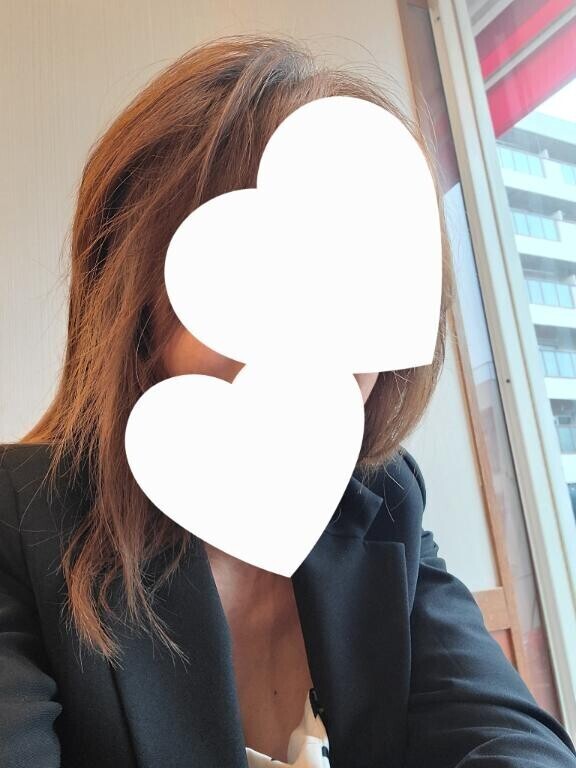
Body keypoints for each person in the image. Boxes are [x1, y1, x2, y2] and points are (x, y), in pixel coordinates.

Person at [1, 34, 575, 768]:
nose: (313, 342)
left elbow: (511, 738)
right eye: (259, 283)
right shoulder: (20, 524)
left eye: (355, 292)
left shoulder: (380, 500)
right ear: (136, 305)